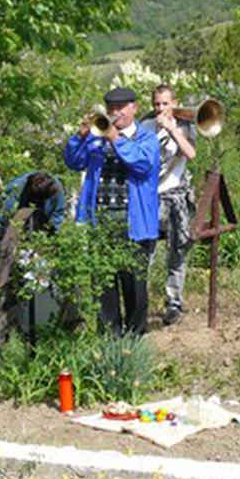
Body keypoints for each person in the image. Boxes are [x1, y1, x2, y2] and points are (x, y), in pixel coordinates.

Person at [64, 86, 160, 336]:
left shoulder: (147, 138)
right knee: (103, 283)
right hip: (101, 220)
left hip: (134, 222)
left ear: (134, 108)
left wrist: (116, 138)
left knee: (135, 283)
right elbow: (73, 162)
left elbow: (142, 164)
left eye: (120, 108)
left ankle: (135, 339)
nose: (115, 113)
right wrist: (80, 136)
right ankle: (109, 339)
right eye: (111, 108)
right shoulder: (97, 137)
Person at [140, 84, 197, 327]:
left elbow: (190, 153)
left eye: (165, 103)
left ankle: (174, 302)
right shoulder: (145, 126)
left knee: (177, 251)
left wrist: (172, 129)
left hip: (176, 196)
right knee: (145, 253)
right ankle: (140, 304)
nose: (160, 108)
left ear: (174, 103)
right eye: (156, 104)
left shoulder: (185, 126)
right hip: (151, 197)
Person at [0, 171, 66, 256]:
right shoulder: (16, 189)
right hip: (16, 221)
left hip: (41, 221)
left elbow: (58, 216)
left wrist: (52, 239)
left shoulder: (55, 188)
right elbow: (1, 220)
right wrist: (1, 250)